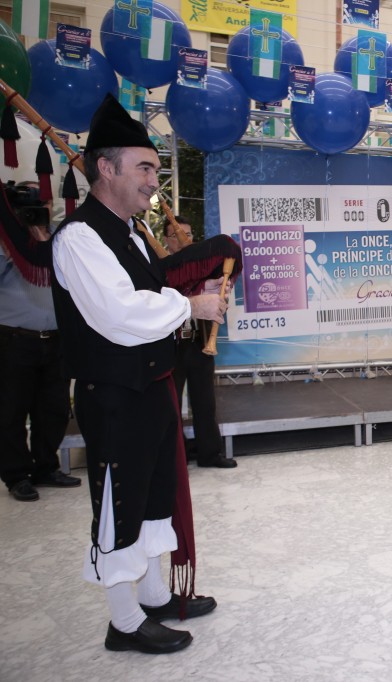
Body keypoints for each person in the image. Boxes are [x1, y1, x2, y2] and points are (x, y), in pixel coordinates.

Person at [50, 95, 228, 655]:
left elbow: (148, 295)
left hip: (149, 389)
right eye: (145, 167)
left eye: (155, 168)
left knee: (154, 495)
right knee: (119, 504)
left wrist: (183, 300)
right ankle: (123, 622)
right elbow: (121, 315)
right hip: (114, 395)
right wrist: (190, 307)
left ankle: (152, 596)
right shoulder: (80, 237)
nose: (155, 180)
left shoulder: (128, 233)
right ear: (106, 167)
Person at [1, 182, 80, 501]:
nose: (39, 209)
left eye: (44, 202)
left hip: (56, 339)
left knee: (55, 408)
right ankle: (16, 475)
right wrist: (13, 249)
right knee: (11, 411)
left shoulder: (59, 239)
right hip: (14, 339)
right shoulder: (7, 241)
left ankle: (46, 467)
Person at [164, 216, 236, 469]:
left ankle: (210, 453)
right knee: (169, 404)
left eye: (189, 234)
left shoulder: (204, 268)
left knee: (205, 400)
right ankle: (175, 455)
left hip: (199, 341)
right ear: (166, 240)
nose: (185, 240)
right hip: (171, 345)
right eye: (178, 235)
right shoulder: (161, 268)